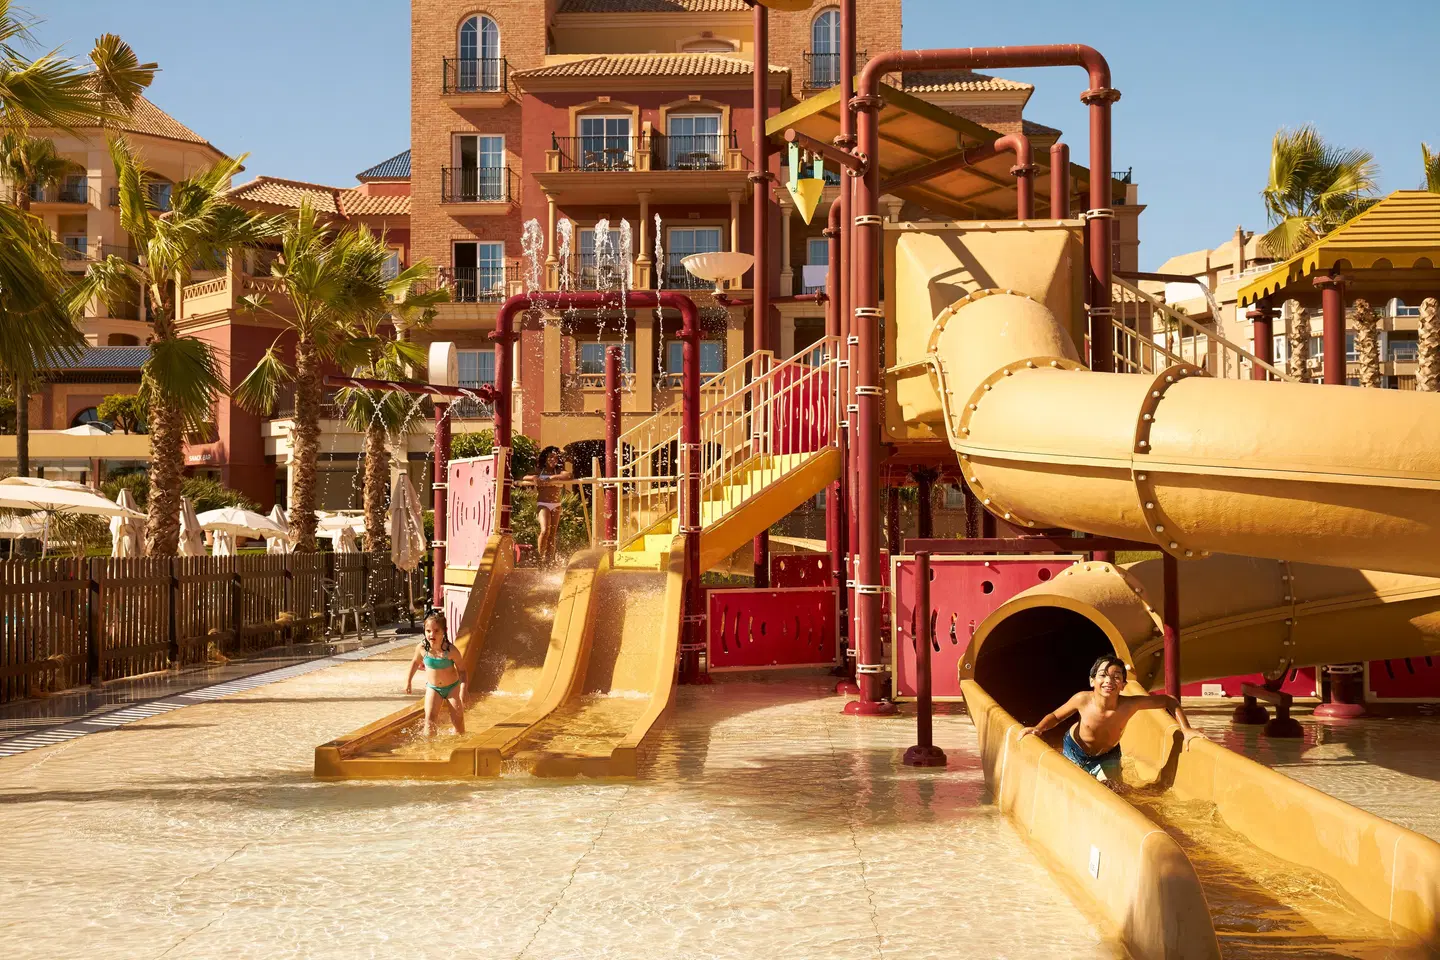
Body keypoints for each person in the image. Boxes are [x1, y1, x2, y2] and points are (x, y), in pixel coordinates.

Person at [1019, 654, 1204, 785]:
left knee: (1116, 793)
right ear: (1092, 681)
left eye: (1116, 677)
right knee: (1071, 785)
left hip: (1108, 754)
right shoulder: (1082, 699)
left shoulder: (1130, 704)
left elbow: (1169, 701)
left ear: (1123, 685)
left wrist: (1185, 729)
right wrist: (1038, 728)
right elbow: (1056, 717)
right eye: (1103, 675)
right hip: (1075, 750)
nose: (1109, 681)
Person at [405, 612, 466, 736]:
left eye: (436, 631)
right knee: (430, 720)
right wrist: (408, 682)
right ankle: (429, 748)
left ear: (444, 631)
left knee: (458, 722)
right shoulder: (422, 648)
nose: (431, 634)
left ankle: (460, 743)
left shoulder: (451, 651)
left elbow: (462, 670)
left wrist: (463, 689)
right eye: (428, 631)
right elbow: (415, 662)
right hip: (433, 688)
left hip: (452, 689)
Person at [522, 446, 572, 568]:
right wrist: (534, 478)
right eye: (550, 457)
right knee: (545, 531)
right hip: (543, 504)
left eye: (555, 458)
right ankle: (540, 558)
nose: (552, 460)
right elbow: (524, 477)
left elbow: (568, 476)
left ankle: (549, 562)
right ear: (545, 458)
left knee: (552, 534)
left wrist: (551, 478)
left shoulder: (559, 471)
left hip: (556, 504)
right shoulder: (539, 471)